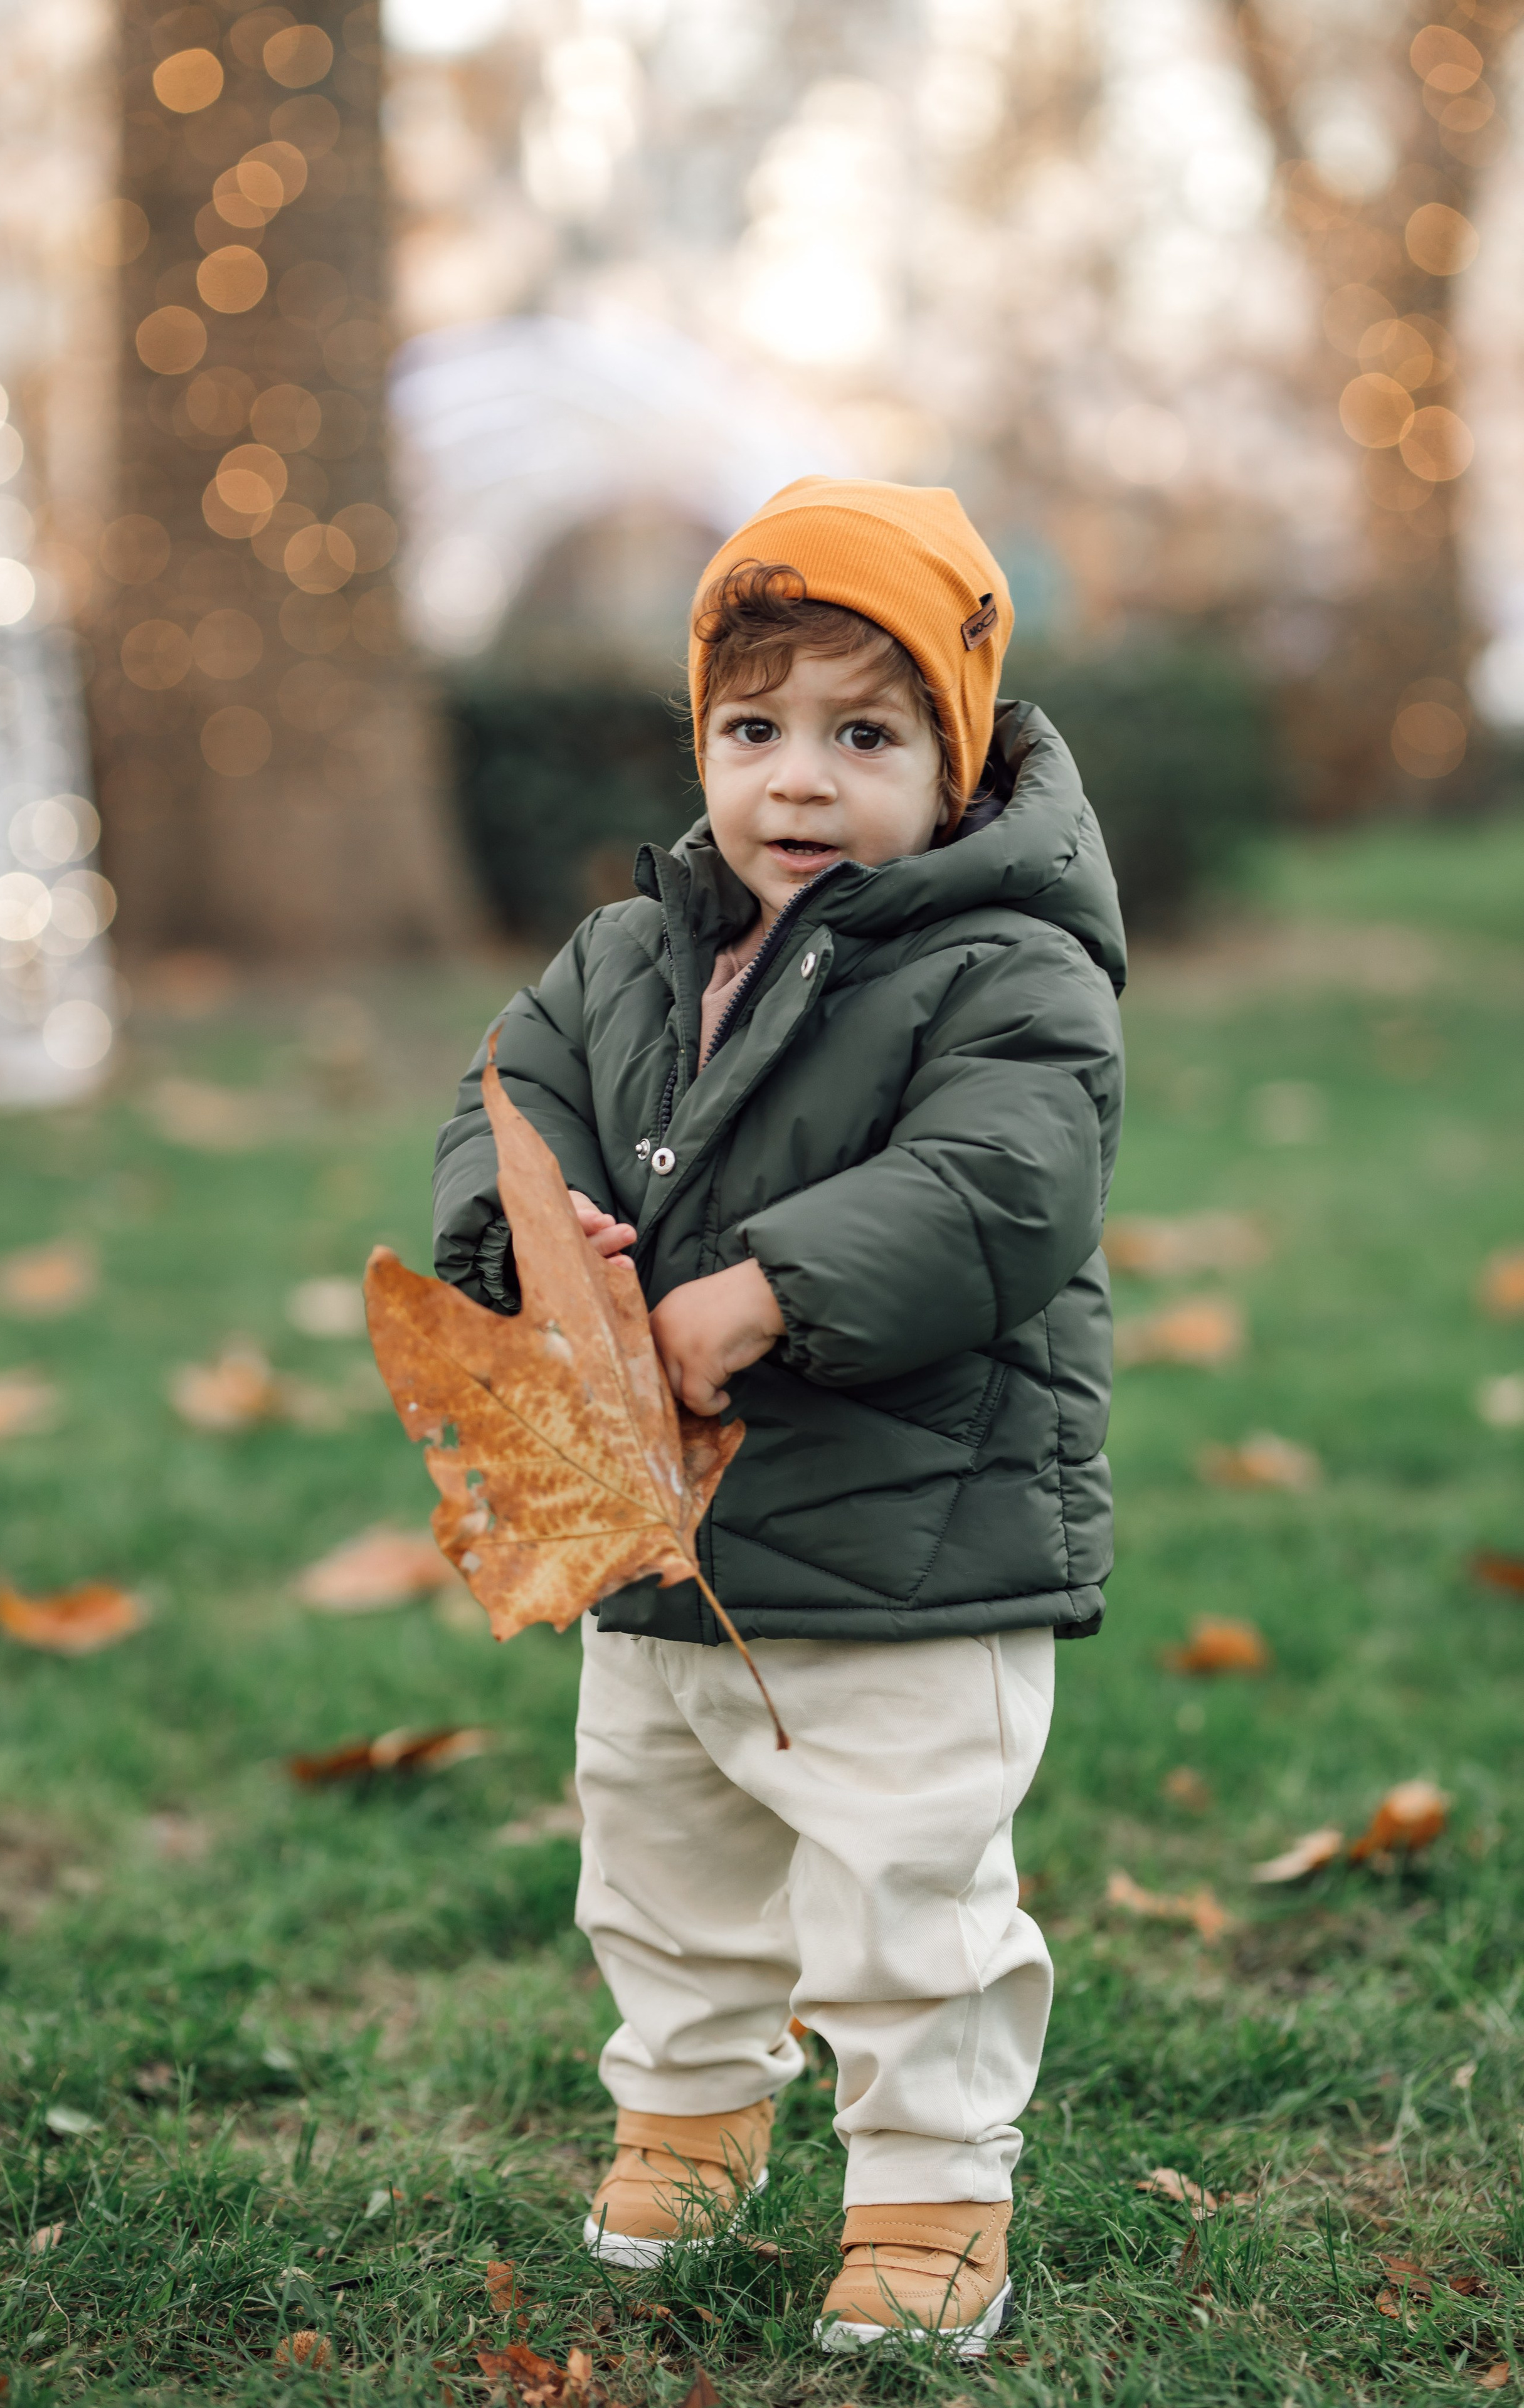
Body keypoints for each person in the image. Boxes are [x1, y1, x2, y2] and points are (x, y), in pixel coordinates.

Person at [432, 477, 1126, 2355]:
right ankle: (692, 2110)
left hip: (917, 1542)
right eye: (755, 731)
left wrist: (777, 1290)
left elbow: (1002, 1183)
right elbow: (509, 1092)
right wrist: (527, 1224)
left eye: (862, 735)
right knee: (656, 1858)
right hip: (668, 1539)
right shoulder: (633, 951)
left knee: (907, 1886)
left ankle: (925, 2192)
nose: (796, 782)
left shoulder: (1009, 968)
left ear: (958, 759)